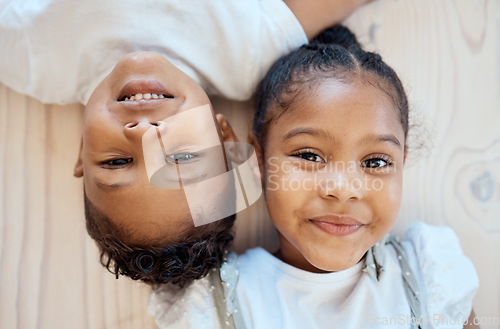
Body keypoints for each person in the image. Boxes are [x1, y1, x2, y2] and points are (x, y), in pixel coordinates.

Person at [0, 0, 375, 286]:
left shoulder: (33, 58)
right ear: (223, 138)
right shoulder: (248, 55)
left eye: (117, 162)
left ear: (83, 150)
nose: (145, 135)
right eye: (181, 156)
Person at [149, 25, 480, 328]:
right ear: (259, 157)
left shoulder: (430, 276)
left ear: (402, 163)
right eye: (309, 155)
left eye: (376, 162)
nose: (343, 190)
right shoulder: (212, 301)